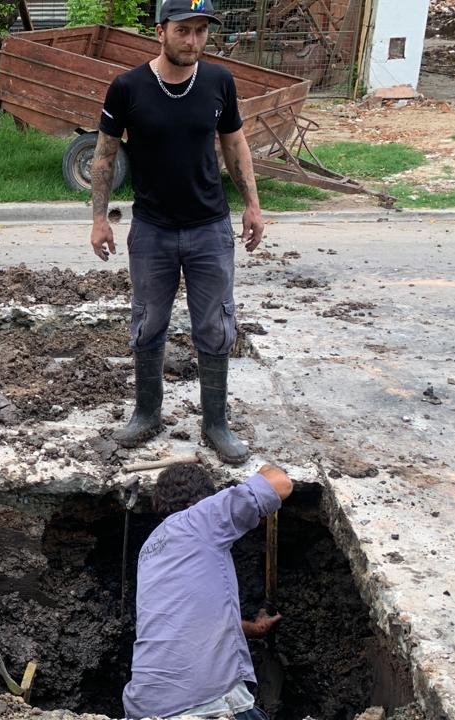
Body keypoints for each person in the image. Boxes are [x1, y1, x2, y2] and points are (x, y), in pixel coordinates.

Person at [88, 0, 264, 464]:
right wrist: (99, 218)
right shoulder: (127, 88)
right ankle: (146, 414)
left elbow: (234, 144)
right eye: (183, 30)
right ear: (160, 32)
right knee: (147, 322)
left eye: (201, 31)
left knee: (215, 323)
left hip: (209, 227)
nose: (193, 41)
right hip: (152, 230)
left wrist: (252, 204)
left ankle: (216, 423)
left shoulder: (218, 83)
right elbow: (104, 156)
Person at [124, 462, 293, 719]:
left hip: (145, 707)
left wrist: (253, 629)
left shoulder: (151, 548)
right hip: (206, 703)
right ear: (203, 500)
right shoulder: (200, 519)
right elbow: (280, 483)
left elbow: (191, 616)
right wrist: (267, 467)